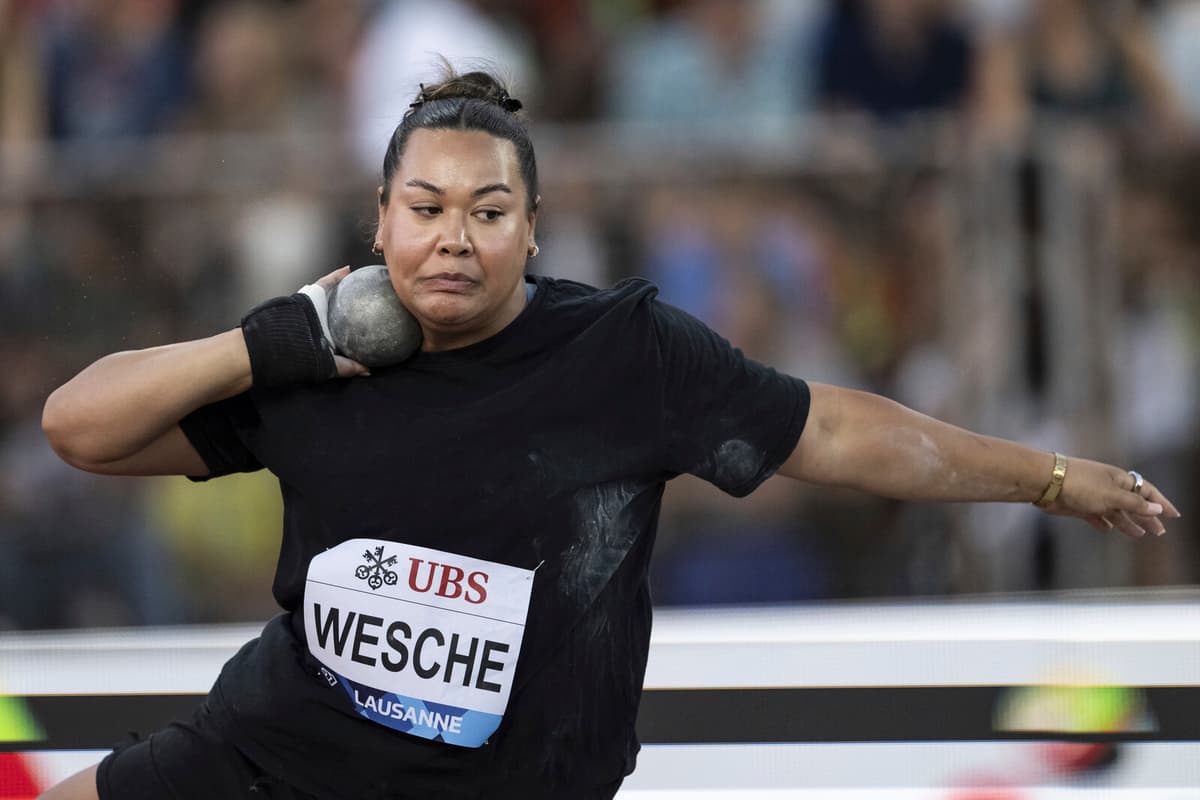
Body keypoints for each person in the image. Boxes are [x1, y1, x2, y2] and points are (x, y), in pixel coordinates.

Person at [38, 68, 1179, 800]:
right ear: (378, 222)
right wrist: (279, 335)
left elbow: (830, 428)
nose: (454, 239)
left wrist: (1053, 478)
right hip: (271, 760)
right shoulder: (318, 356)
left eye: (488, 212)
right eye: (424, 209)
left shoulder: (622, 353)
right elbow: (79, 428)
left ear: (532, 231)